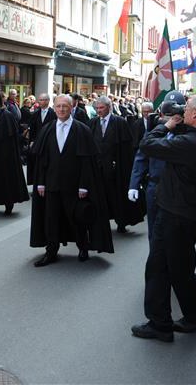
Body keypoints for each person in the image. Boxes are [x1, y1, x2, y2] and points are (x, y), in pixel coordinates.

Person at [131, 96, 196, 343]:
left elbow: (147, 145)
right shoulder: (189, 138)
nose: (181, 111)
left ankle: (160, 324)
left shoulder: (188, 143)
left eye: (186, 109)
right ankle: (191, 316)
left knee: (159, 267)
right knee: (182, 269)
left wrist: (165, 125)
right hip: (185, 213)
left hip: (174, 214)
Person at [30, 94, 113, 266]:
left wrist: (84, 186)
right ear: (54, 108)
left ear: (71, 107)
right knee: (51, 220)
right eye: (58, 106)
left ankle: (83, 247)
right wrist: (40, 182)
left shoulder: (82, 129)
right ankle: (51, 251)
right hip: (51, 185)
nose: (61, 109)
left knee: (76, 219)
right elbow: (42, 161)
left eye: (65, 106)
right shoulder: (47, 130)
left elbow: (86, 163)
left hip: (74, 186)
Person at [128, 95, 183, 242]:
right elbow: (141, 157)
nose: (171, 120)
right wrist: (134, 184)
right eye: (167, 115)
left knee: (177, 236)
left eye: (175, 115)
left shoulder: (187, 135)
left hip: (179, 190)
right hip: (155, 187)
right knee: (155, 232)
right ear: (160, 115)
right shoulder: (155, 133)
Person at [89, 96, 145, 233]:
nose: (99, 111)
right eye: (97, 108)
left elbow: (127, 148)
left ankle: (121, 222)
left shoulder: (120, 123)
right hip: (98, 167)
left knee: (116, 196)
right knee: (100, 197)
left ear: (109, 107)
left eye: (101, 108)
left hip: (116, 168)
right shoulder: (93, 123)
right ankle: (101, 222)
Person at [26, 93, 57, 184]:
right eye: (40, 100)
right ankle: (36, 183)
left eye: (44, 100)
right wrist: (31, 141)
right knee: (35, 164)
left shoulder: (53, 113)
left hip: (49, 143)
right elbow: (32, 128)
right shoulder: (35, 113)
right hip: (37, 142)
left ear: (48, 101)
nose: (42, 102)